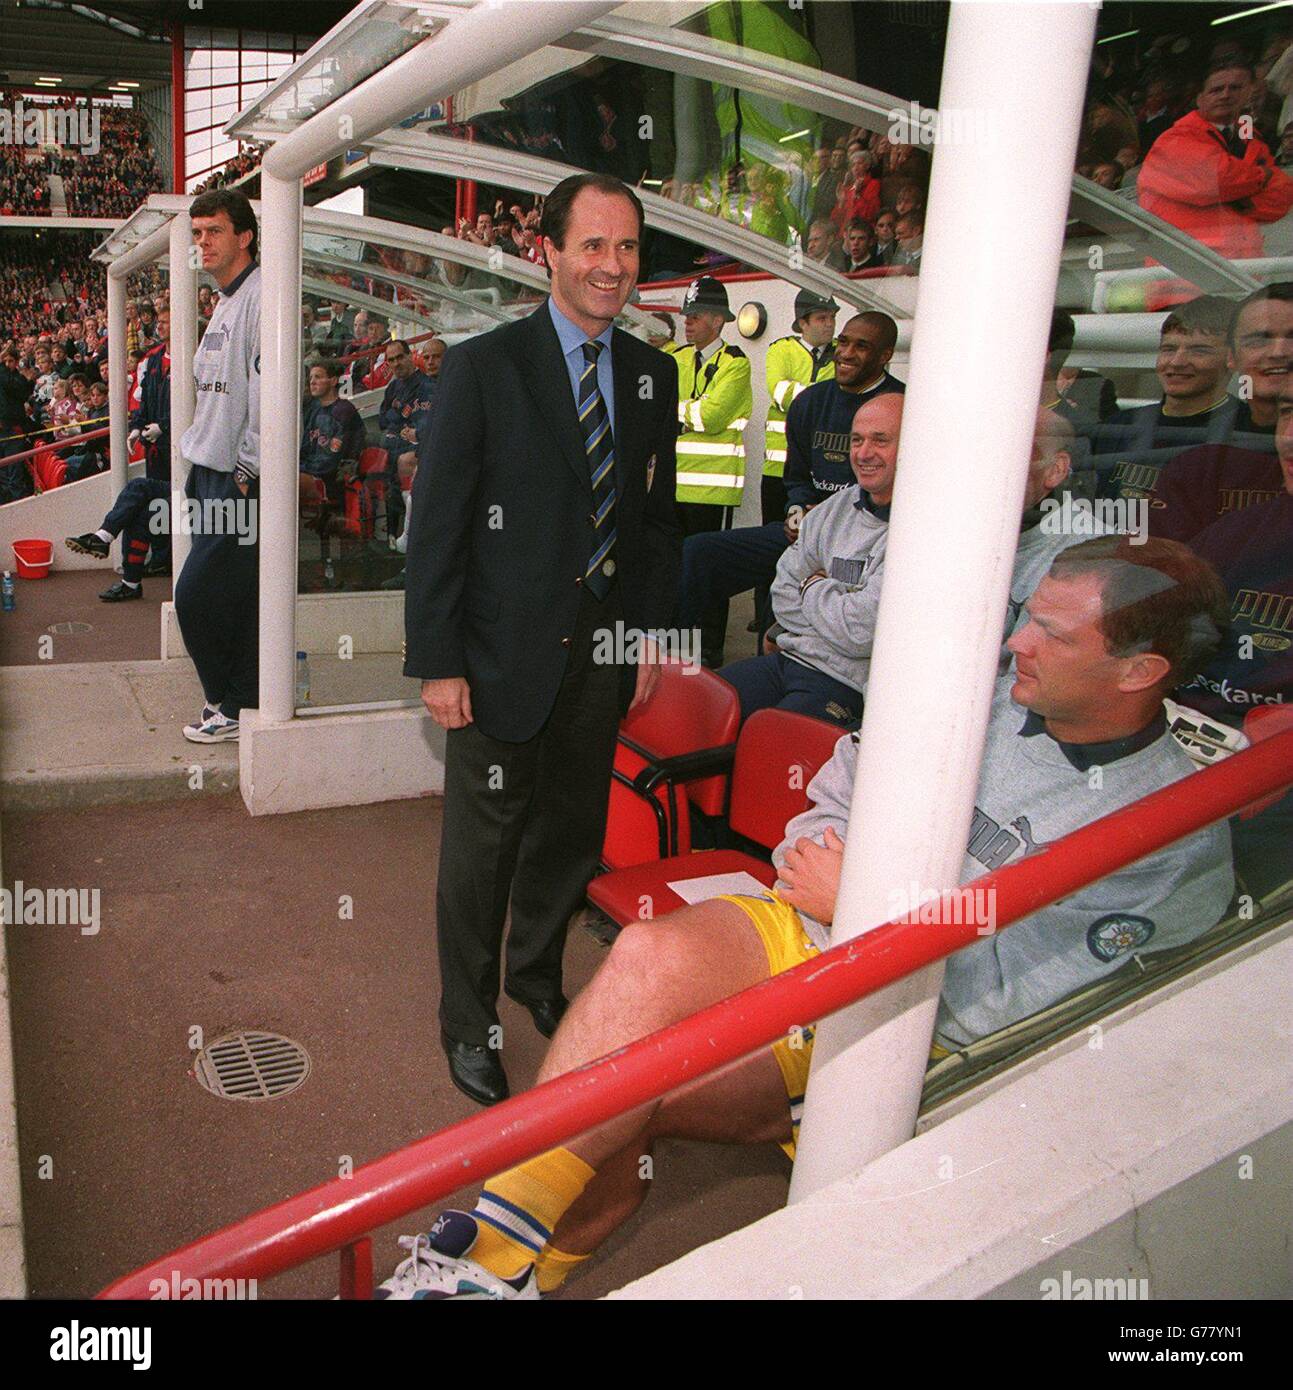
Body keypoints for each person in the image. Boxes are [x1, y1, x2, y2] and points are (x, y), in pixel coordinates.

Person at [376, 534, 1235, 1299]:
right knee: (642, 954)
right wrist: (840, 886)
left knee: (634, 1085)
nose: (1016, 641)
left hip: (914, 1018)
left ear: (1139, 670)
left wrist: (868, 909)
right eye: (1025, 617)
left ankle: (516, 1269)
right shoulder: (984, 700)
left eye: (1054, 632)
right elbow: (833, 793)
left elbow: (1014, 1004)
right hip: (818, 926)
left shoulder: (1173, 832)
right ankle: (495, 1254)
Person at [403, 172, 682, 1107]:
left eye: (629, 247)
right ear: (549, 252)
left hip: (600, 659)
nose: (613, 266)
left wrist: (643, 637)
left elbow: (654, 525)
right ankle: (469, 1022)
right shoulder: (485, 367)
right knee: (481, 856)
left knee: (569, 836)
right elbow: (437, 524)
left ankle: (534, 981)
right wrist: (437, 659)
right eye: (594, 246)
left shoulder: (652, 375)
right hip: (494, 659)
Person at [676, 312, 904, 669]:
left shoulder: (900, 406)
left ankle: (780, 673)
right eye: (843, 342)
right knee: (699, 553)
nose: (845, 353)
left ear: (885, 355)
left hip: (865, 541)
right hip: (805, 530)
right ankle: (682, 661)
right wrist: (798, 509)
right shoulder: (809, 402)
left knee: (781, 584)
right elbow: (796, 477)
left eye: (862, 346)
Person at [173, 188, 262, 745]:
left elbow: (267, 392)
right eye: (197, 233)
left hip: (236, 477)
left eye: (213, 232)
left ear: (245, 236)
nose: (202, 243)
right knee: (236, 597)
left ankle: (223, 699)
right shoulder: (226, 299)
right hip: (207, 470)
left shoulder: (260, 296)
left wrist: (248, 470)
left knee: (196, 596)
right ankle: (241, 700)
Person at [1139, 59, 1293, 260]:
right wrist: (1262, 177)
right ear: (1200, 99)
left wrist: (1236, 198)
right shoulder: (1174, 140)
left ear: (1250, 92)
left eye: (1235, 88)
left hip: (1241, 267)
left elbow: (1281, 197)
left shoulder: (1250, 138)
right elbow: (1217, 181)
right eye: (1216, 90)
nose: (1226, 94)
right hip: (1185, 271)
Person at [672, 276, 753, 545]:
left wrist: (680, 416)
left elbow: (712, 417)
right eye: (687, 316)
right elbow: (659, 408)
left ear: (717, 320)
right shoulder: (677, 358)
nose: (687, 322)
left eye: (695, 315)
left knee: (704, 564)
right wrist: (690, 412)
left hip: (713, 489)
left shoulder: (736, 363)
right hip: (674, 484)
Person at [299, 358, 365, 581]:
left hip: (331, 480)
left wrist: (304, 470)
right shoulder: (314, 410)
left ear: (334, 380)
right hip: (311, 473)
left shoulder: (344, 411)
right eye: (311, 378)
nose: (313, 382)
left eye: (318, 377)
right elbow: (305, 448)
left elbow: (333, 459)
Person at [373, 339, 435, 562]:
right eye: (391, 360)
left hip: (416, 449)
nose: (396, 363)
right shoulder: (392, 388)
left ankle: (410, 539)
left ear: (410, 356)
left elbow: (423, 426)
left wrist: (400, 425)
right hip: (394, 447)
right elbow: (384, 420)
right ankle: (390, 536)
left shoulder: (427, 386)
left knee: (403, 465)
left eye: (400, 357)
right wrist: (398, 425)